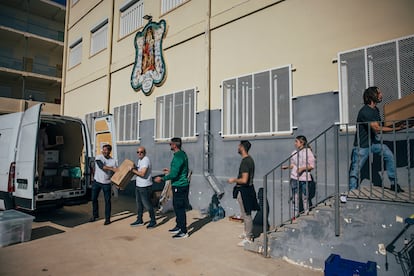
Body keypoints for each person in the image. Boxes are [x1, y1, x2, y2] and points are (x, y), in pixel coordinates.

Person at [349, 86, 405, 192]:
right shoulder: (365, 111)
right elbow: (377, 128)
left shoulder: (376, 110)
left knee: (389, 155)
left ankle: (394, 184)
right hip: (362, 146)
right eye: (378, 93)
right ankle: (352, 191)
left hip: (374, 143)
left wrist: (399, 125)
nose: (381, 95)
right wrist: (396, 128)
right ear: (371, 96)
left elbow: (382, 125)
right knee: (355, 169)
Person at [154, 137, 189, 239]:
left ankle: (183, 231)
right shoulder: (181, 154)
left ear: (175, 145)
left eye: (170, 144)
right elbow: (178, 170)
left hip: (179, 185)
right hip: (179, 184)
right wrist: (170, 171)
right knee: (176, 206)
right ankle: (179, 226)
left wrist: (162, 178)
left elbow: (174, 175)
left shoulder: (178, 157)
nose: (169, 145)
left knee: (180, 208)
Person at [228, 140, 260, 247]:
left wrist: (234, 180)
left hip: (245, 190)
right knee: (244, 213)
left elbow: (244, 180)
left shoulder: (246, 161)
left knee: (247, 214)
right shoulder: (249, 160)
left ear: (242, 147)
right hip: (246, 190)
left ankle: (249, 237)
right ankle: (246, 232)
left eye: (239, 146)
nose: (237, 147)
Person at [282, 135, 315, 219]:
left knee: (305, 197)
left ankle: (306, 213)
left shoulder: (308, 152)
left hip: (304, 178)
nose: (295, 143)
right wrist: (288, 167)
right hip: (294, 178)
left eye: (296, 141)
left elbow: (312, 166)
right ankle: (295, 216)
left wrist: (302, 169)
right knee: (295, 198)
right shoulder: (294, 153)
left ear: (302, 142)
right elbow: (293, 165)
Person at [89, 144, 118, 225]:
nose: (104, 151)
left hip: (107, 183)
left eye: (106, 150)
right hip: (97, 182)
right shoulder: (99, 157)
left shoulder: (113, 161)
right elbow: (101, 166)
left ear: (109, 151)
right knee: (94, 199)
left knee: (107, 201)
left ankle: (107, 219)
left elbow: (115, 173)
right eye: (103, 150)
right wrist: (112, 168)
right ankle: (95, 215)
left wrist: (115, 184)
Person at [129, 146, 156, 229]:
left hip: (145, 187)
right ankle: (139, 220)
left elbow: (142, 173)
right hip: (139, 186)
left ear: (145, 153)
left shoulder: (145, 160)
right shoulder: (140, 160)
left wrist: (132, 170)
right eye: (138, 152)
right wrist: (135, 168)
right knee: (139, 204)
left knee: (147, 205)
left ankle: (153, 221)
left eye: (141, 152)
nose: (139, 153)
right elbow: (139, 170)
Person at [37, 123, 60, 188]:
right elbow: (46, 146)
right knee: (40, 169)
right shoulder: (44, 134)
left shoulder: (35, 132)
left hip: (33, 153)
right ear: (45, 128)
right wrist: (56, 144)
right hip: (41, 153)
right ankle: (39, 183)